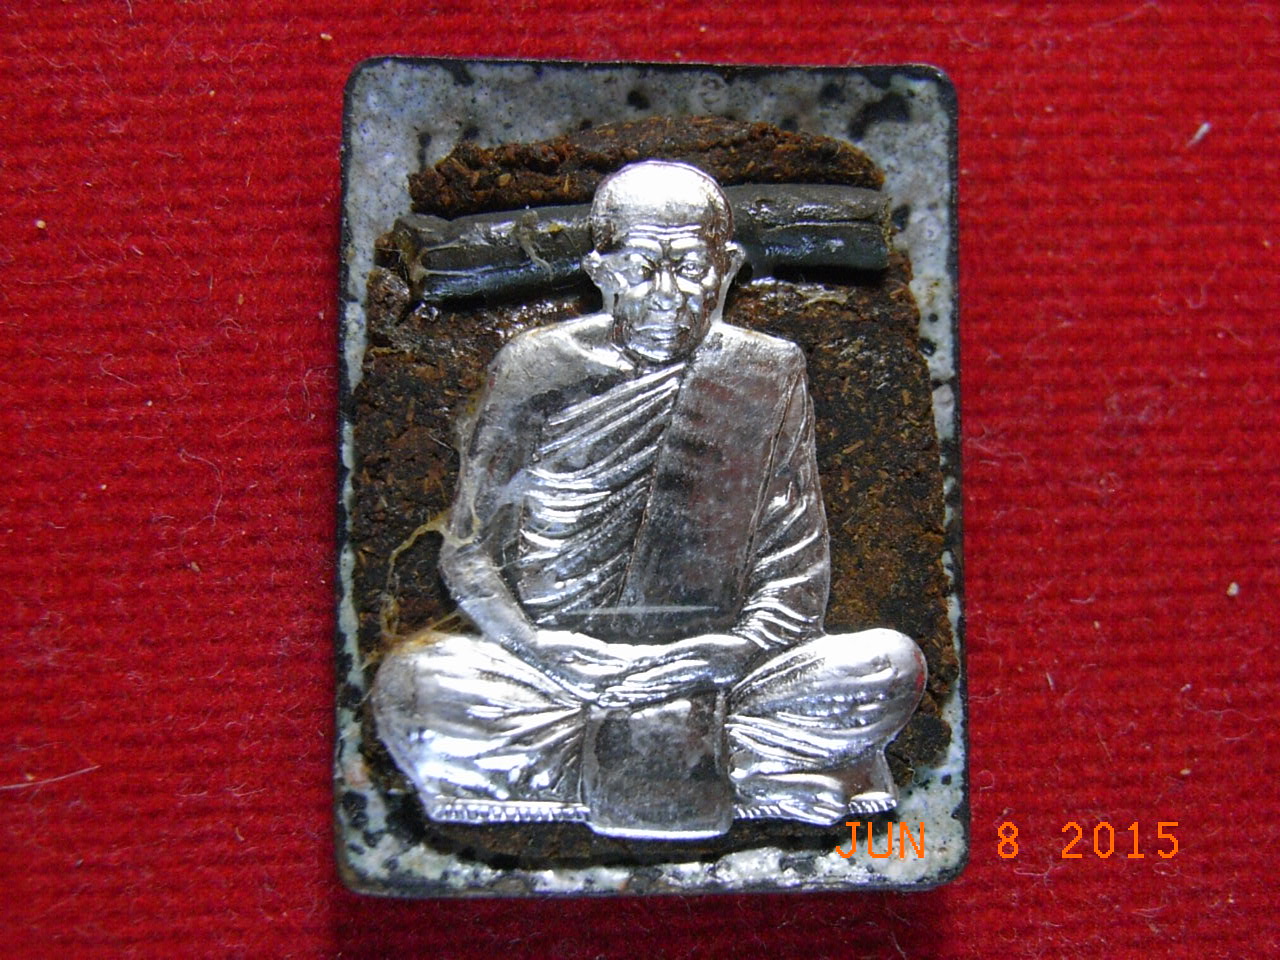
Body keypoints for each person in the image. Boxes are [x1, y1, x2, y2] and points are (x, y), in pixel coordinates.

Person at [372, 160, 926, 839]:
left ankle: (580, 769)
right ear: (600, 272)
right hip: (560, 675)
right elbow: (467, 551)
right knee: (415, 685)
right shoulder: (536, 364)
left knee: (889, 666)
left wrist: (726, 652)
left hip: (720, 677)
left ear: (726, 268)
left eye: (690, 268)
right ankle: (748, 769)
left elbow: (796, 566)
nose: (667, 296)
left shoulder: (767, 369)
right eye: (640, 269)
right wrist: (539, 646)